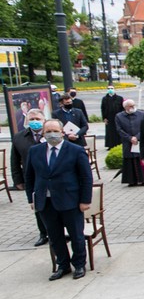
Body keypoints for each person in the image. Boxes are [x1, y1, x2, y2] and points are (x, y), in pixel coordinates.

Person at [24, 119, 93, 280]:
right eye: (48, 131)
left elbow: (86, 177)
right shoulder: (35, 151)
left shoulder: (75, 150)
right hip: (45, 201)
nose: (51, 134)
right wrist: (31, 199)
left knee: (76, 235)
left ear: (62, 132)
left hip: (70, 200)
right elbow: (29, 177)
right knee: (55, 237)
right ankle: (63, 265)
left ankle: (79, 264)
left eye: (55, 130)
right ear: (43, 133)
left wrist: (85, 200)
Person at [10, 109, 49, 247]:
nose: (35, 122)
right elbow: (14, 160)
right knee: (38, 206)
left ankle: (59, 230)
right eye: (31, 119)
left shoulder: (50, 133)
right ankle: (43, 233)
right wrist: (18, 180)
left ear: (44, 119)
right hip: (33, 177)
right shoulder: (19, 137)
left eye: (37, 119)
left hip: (52, 176)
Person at [116, 99, 144, 186]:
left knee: (140, 159)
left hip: (139, 141)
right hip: (127, 142)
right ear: (125, 107)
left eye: (134, 105)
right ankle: (131, 180)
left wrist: (137, 137)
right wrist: (129, 138)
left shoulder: (141, 114)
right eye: (130, 106)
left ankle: (143, 179)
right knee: (129, 160)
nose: (133, 107)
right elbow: (119, 130)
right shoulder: (119, 116)